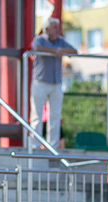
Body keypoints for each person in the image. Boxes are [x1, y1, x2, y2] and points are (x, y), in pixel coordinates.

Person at [29, 17, 76, 150]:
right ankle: (35, 144)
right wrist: (55, 51)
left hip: (56, 83)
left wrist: (62, 51)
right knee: (37, 114)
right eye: (54, 27)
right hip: (41, 81)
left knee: (55, 115)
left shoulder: (60, 41)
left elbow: (74, 51)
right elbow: (36, 47)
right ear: (47, 29)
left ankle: (53, 145)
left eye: (57, 27)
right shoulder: (40, 39)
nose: (57, 30)